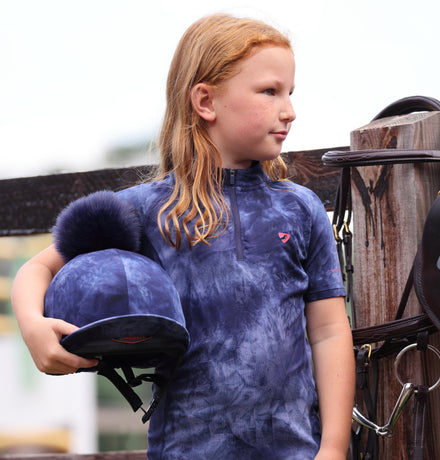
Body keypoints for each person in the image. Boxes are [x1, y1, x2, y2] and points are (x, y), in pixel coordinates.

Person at [11, 13, 355, 460]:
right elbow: (38, 268)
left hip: (293, 450)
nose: (289, 109)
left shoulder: (301, 208)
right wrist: (33, 328)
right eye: (270, 91)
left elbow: (328, 332)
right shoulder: (147, 208)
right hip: (185, 449)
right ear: (205, 102)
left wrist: (332, 448)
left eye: (290, 92)